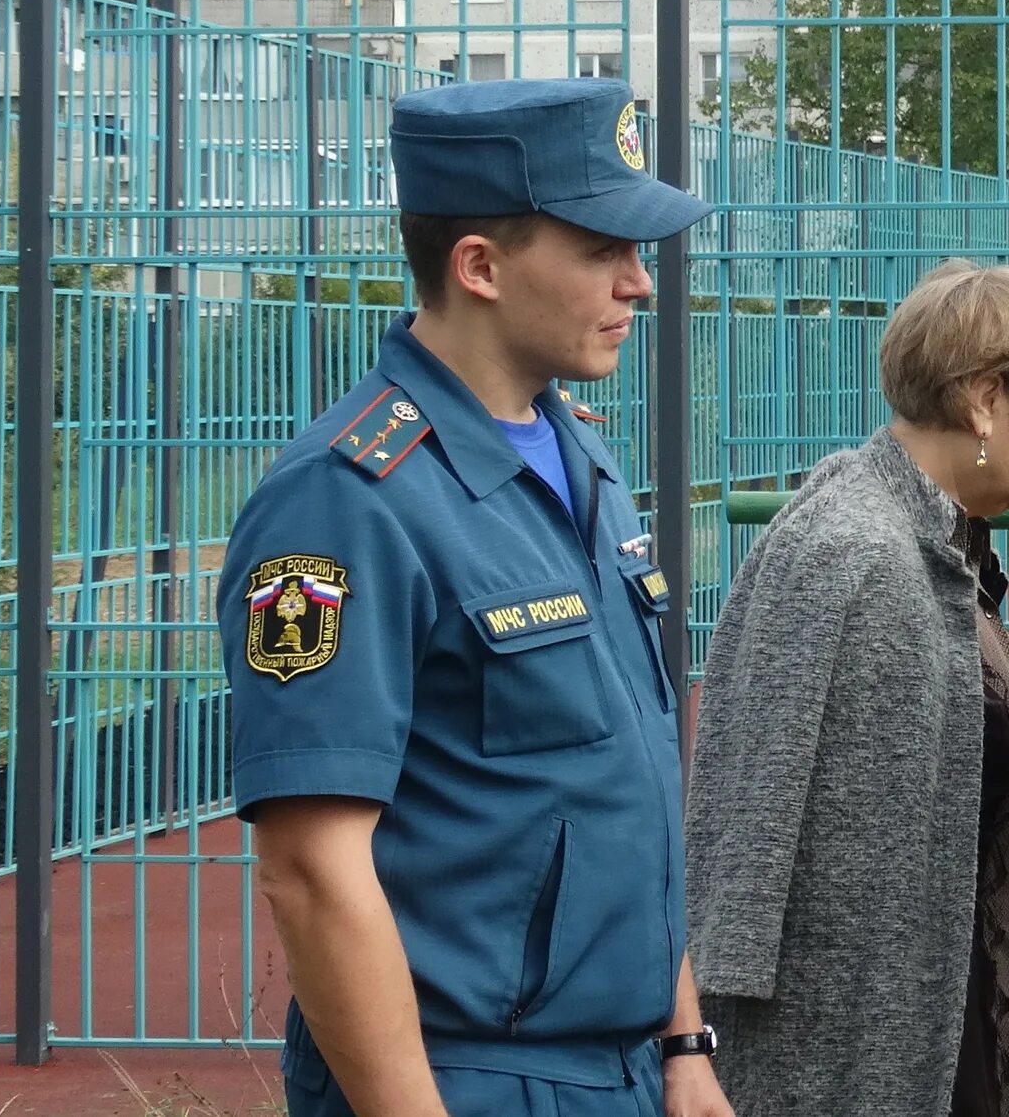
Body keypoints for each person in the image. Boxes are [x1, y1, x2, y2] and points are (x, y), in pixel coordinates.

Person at [218, 77, 732, 1117]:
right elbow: (311, 866)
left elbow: (621, 779)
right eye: (602, 250)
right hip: (467, 1078)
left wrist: (682, 1042)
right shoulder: (345, 499)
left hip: (622, 1066)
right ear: (481, 266)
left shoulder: (576, 450)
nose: (639, 282)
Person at [684, 260, 1009, 1117]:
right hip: (869, 1057)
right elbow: (742, 830)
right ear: (986, 399)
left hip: (958, 1027)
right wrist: (701, 1050)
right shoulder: (853, 550)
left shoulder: (930, 538)